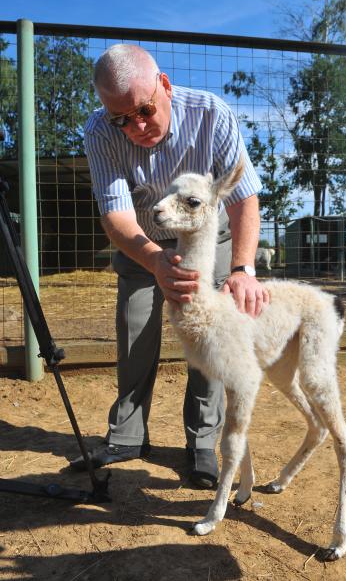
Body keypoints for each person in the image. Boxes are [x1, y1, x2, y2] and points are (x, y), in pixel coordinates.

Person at [69, 44, 269, 488]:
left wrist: (241, 269)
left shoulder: (211, 114)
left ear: (164, 86)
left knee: (208, 331)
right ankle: (126, 435)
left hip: (204, 238)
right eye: (122, 118)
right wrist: (156, 261)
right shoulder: (100, 131)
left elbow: (242, 197)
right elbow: (116, 215)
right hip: (143, 243)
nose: (136, 126)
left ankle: (201, 442)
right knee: (135, 328)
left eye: (144, 110)